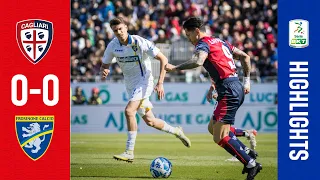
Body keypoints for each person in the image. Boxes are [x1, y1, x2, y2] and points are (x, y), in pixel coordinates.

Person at [165, 17, 262, 180]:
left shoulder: (203, 44)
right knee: (212, 128)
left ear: (197, 31)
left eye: (188, 35)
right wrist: (246, 82)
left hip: (228, 90)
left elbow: (198, 61)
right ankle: (247, 150)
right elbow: (245, 57)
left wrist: (175, 68)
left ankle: (251, 163)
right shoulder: (221, 42)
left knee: (220, 137)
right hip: (232, 86)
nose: (189, 40)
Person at [100, 17, 191, 163]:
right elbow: (104, 64)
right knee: (151, 121)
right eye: (115, 31)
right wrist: (104, 70)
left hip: (145, 81)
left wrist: (160, 83)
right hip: (130, 85)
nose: (119, 32)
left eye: (120, 29)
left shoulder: (139, 42)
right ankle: (176, 131)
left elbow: (163, 59)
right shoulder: (112, 46)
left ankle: (129, 151)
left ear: (126, 27)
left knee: (129, 111)